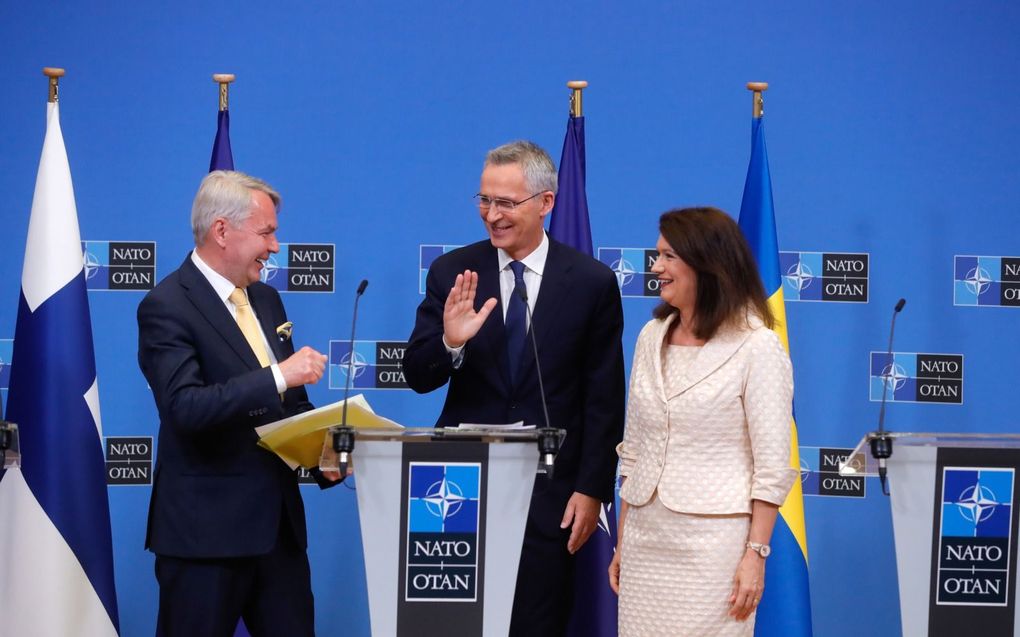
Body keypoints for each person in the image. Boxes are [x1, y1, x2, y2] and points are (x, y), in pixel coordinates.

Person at [403, 140, 626, 636]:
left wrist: (592, 490)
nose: (492, 215)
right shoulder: (453, 272)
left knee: (536, 624)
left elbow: (604, 398)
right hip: (456, 493)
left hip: (549, 494)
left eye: (506, 202)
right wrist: (449, 342)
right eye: (485, 200)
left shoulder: (591, 282)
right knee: (452, 627)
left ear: (546, 203)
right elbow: (417, 375)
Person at [137, 170, 337, 637]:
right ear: (222, 231)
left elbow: (289, 405)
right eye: (266, 232)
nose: (274, 247)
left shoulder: (266, 299)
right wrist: (278, 376)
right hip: (204, 540)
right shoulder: (166, 305)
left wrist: (325, 455)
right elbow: (185, 408)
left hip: (279, 537)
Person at [607, 207, 797, 636]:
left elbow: (771, 466)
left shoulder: (757, 347)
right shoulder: (650, 337)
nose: (656, 267)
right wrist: (623, 540)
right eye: (658, 255)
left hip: (714, 550)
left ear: (707, 263)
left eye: (669, 256)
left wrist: (755, 555)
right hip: (645, 540)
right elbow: (633, 451)